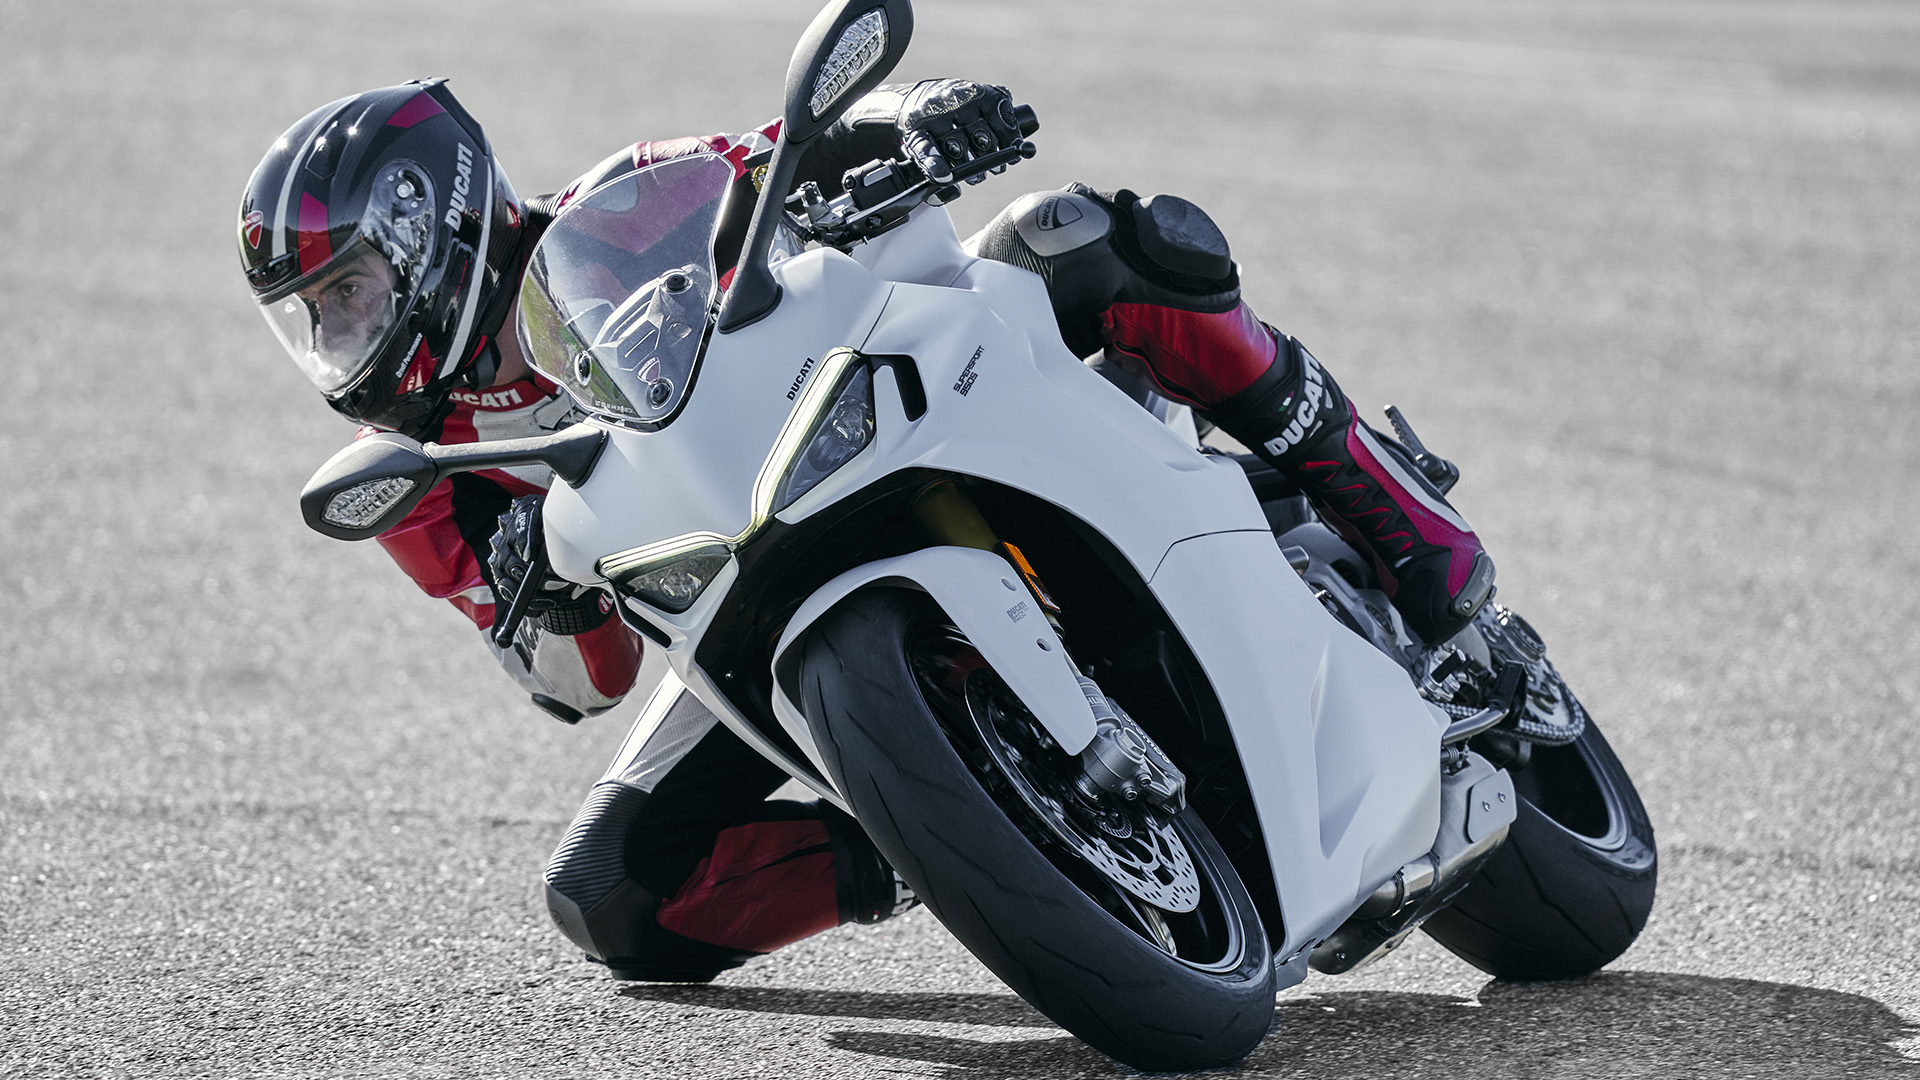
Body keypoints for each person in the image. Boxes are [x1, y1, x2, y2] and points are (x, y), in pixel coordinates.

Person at [238, 75, 1495, 983]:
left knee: (1082, 238)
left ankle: (1385, 508)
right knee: (612, 896)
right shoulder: (428, 473)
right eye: (313, 321)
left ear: (432, 228)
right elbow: (585, 682)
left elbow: (786, 150)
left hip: (873, 413)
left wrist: (914, 117)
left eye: (347, 294)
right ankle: (953, 837)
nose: (337, 340)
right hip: (732, 585)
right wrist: (546, 595)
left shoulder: (617, 209)